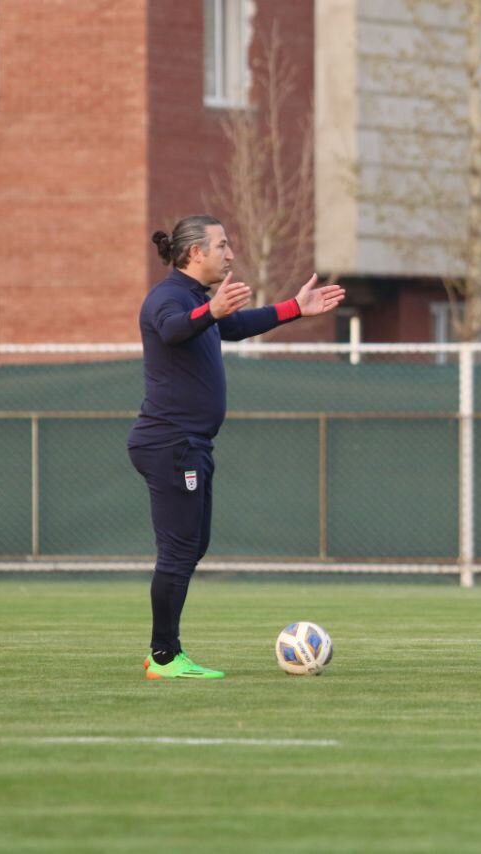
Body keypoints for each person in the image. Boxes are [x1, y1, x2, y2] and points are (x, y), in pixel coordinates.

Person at [129, 215, 344, 679]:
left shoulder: (196, 301)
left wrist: (294, 309)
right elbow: (172, 329)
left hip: (189, 445)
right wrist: (210, 312)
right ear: (195, 253)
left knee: (190, 546)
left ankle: (163, 652)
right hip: (170, 443)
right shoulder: (169, 298)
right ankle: (164, 657)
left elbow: (234, 325)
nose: (230, 254)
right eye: (222, 246)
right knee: (178, 551)